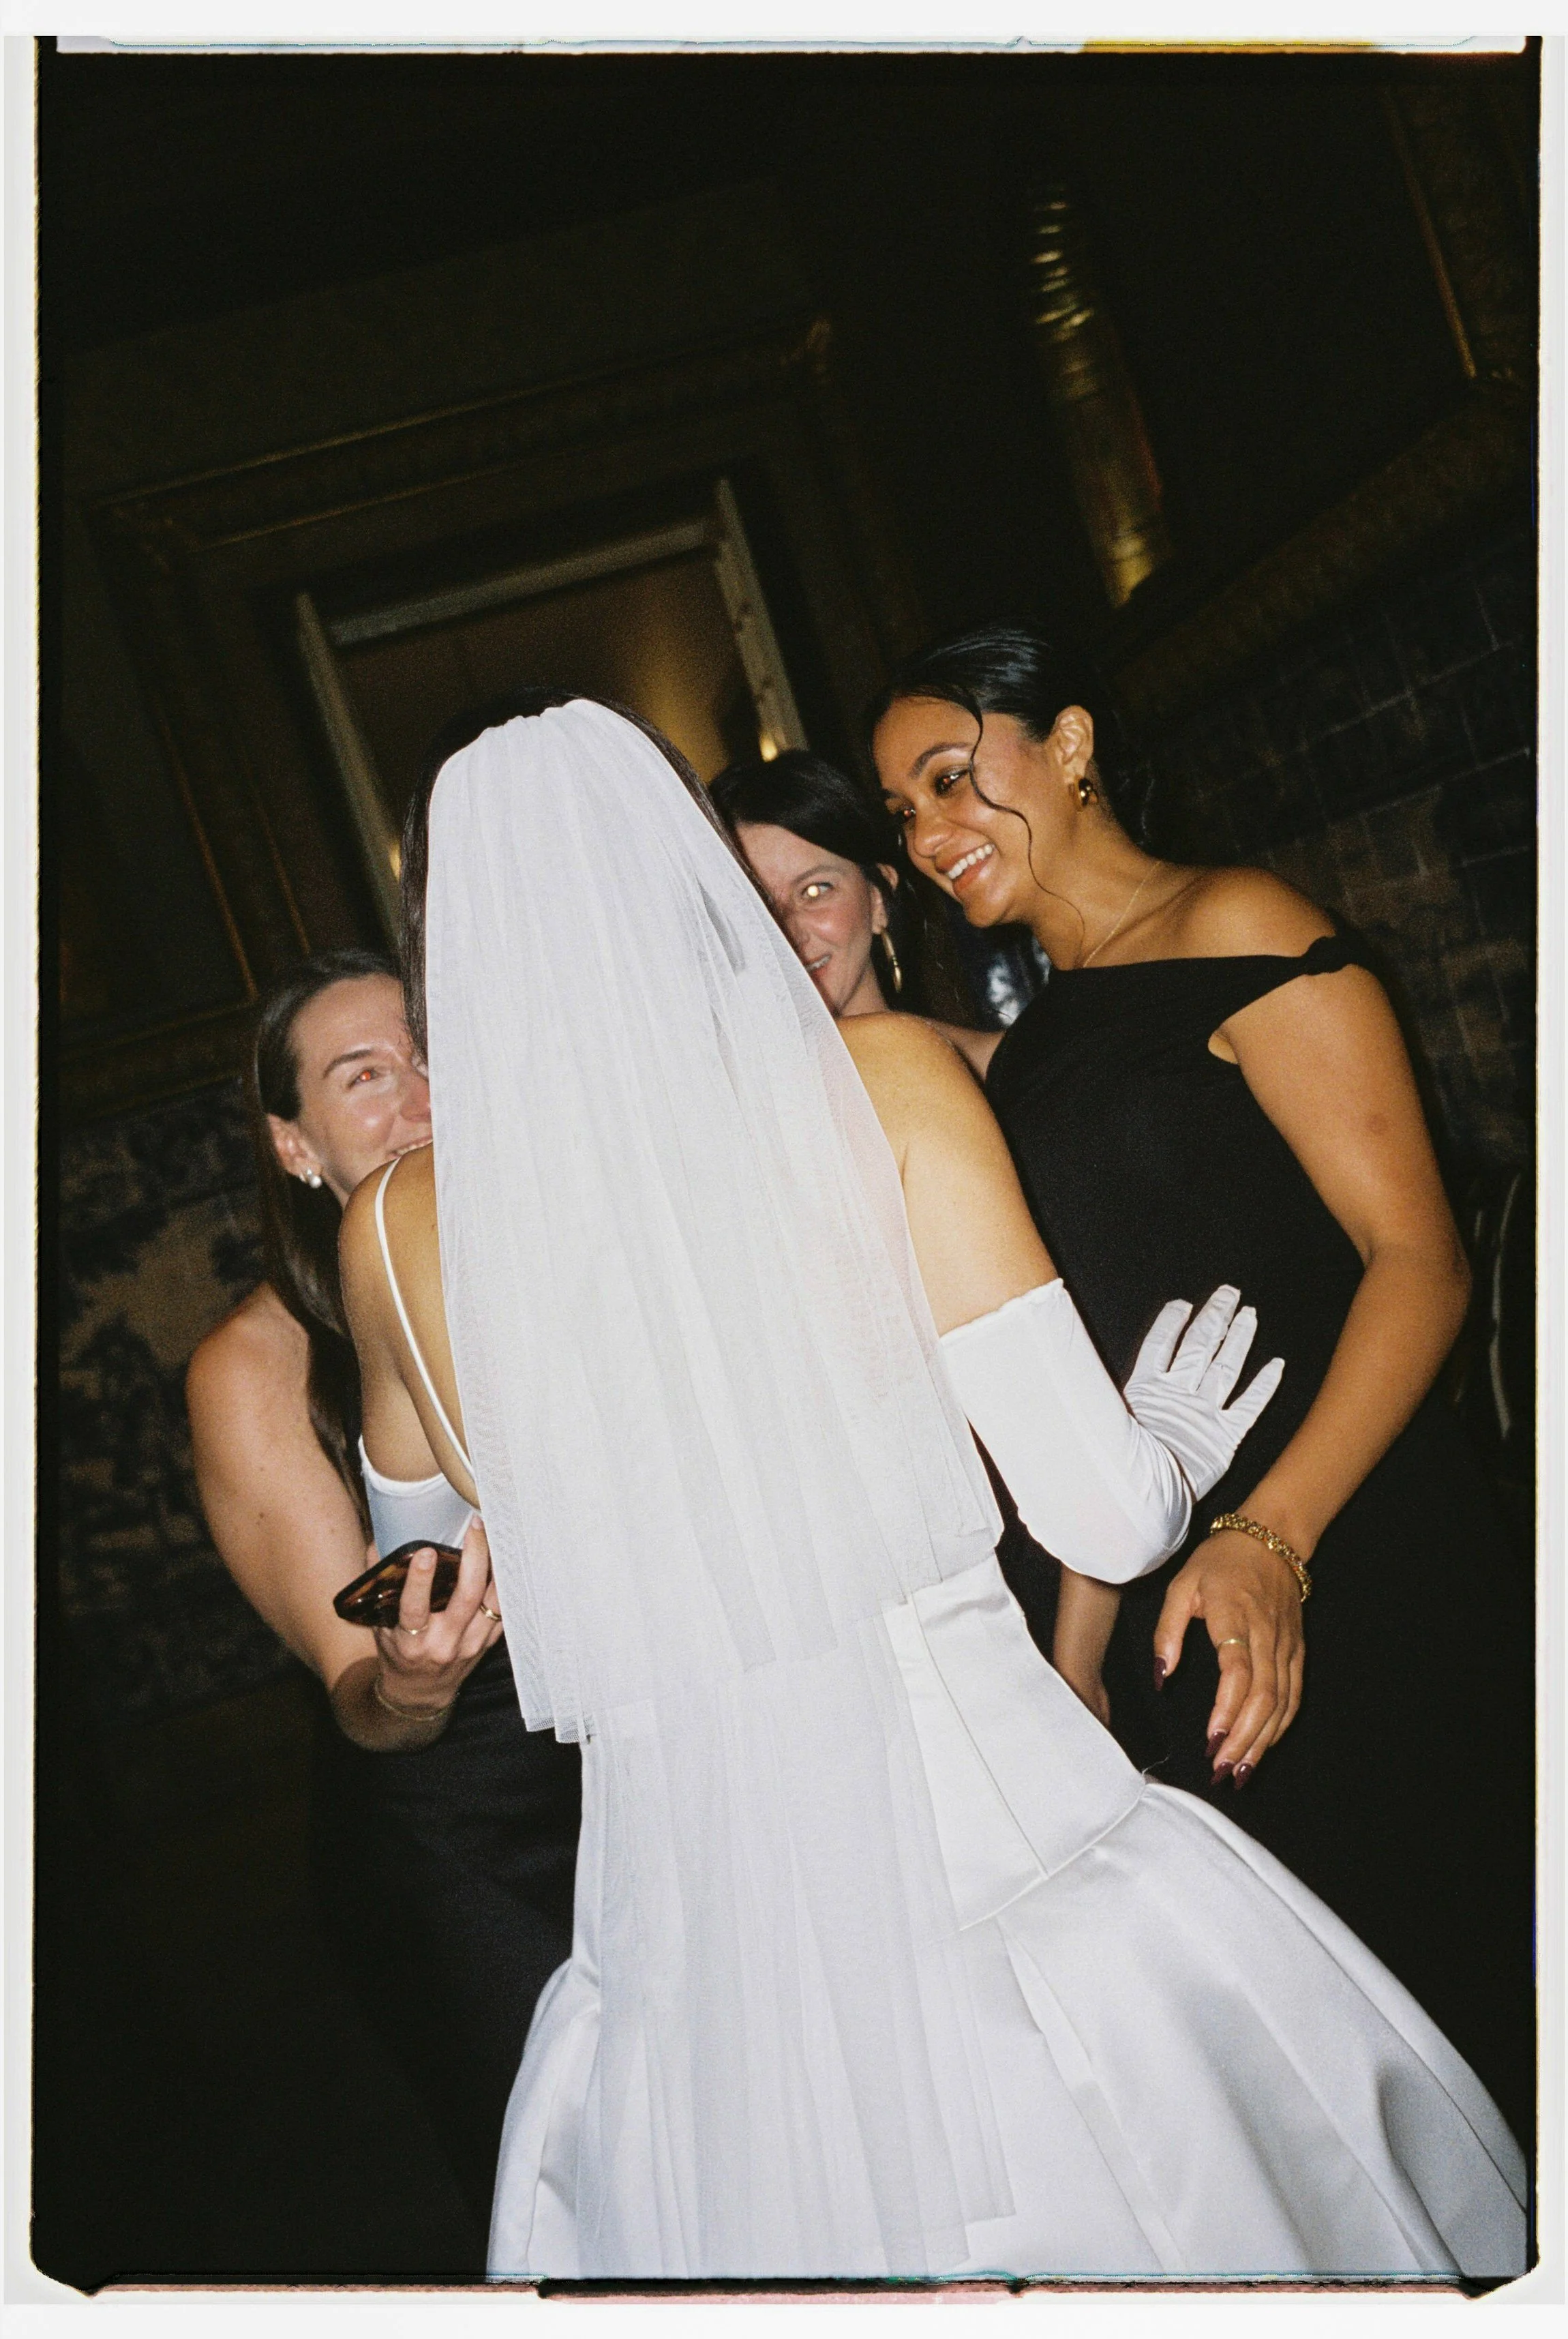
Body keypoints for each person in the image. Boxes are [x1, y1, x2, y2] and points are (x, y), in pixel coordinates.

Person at [342, 689, 1524, 2282]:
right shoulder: (879, 1082)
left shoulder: (393, 1231)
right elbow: (1103, 1518)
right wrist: (1166, 1432)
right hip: (990, 1847)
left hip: (692, 1950)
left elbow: (409, 1610)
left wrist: (414, 1674)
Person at [868, 625, 1535, 2145]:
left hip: (1353, 1542)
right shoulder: (1031, 1041)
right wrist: (1085, 1647)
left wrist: (1273, 1536)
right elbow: (1100, 1373)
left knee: (1465, 1996)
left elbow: (1416, 1256)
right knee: (1338, 2053)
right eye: (902, 812)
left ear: (1076, 744)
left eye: (953, 776)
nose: (926, 834)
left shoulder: (1234, 919)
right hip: (1182, 1593)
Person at [185, 949, 579, 2240]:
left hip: (637, 1758)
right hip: (458, 1822)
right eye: (365, 1076)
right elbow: (361, 1697)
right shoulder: (254, 1365)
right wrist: (413, 1680)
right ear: (295, 1147)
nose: (420, 1094)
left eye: (430, 1052)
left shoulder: (561, 1260)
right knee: (566, 2183)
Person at [711, 748, 1065, 1664]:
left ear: (879, 894)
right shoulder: (720, 1141)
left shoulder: (1002, 1072)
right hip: (872, 1579)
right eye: (755, 904)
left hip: (1053, 1515)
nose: (791, 929)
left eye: (817, 887)